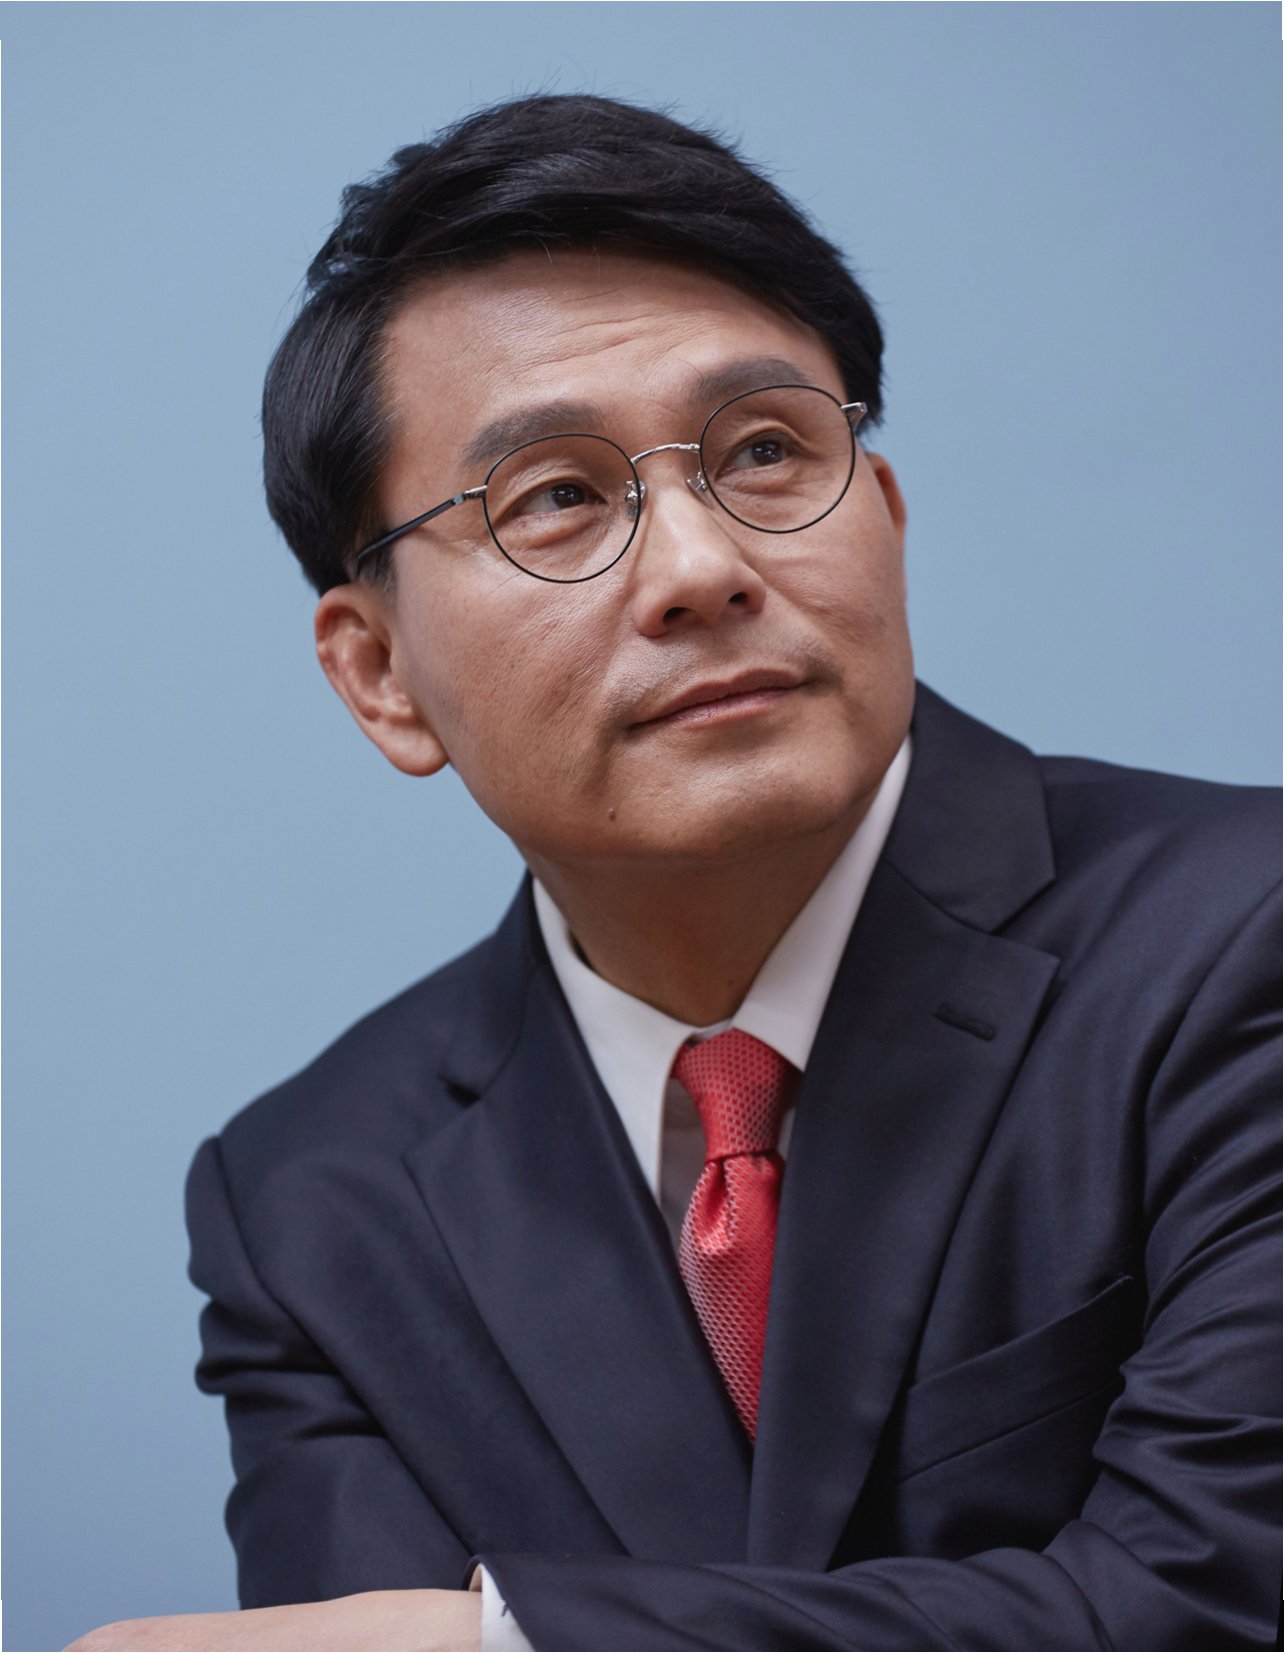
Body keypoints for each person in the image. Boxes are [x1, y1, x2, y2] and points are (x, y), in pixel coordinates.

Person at [68, 95, 1278, 1653]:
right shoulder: (312, 1201)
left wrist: (493, 1641)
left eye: (766, 451)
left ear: (885, 516)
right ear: (379, 674)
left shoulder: (1243, 939)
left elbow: (1218, 1601)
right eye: (558, 497)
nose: (704, 569)